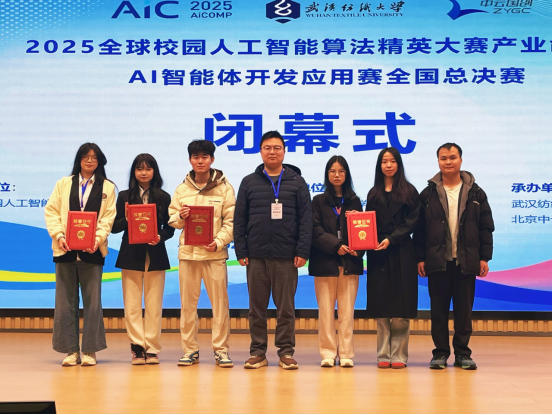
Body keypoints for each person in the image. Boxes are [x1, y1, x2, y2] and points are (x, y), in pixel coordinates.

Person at [235, 131, 313, 371]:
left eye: (277, 147)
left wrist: (302, 251)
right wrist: (241, 250)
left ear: (284, 151)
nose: (272, 152)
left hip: (287, 255)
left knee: (286, 309)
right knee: (256, 309)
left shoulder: (297, 182)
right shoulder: (249, 182)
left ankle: (286, 352)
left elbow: (306, 220)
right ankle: (257, 352)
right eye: (267, 147)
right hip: (256, 255)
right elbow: (240, 219)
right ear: (260, 151)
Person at [414, 143, 495, 371]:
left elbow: (485, 228)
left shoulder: (476, 193)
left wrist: (484, 258)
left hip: (466, 262)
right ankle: (440, 353)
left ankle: (463, 354)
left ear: (460, 160)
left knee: (464, 312)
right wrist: (420, 258)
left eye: (452, 157)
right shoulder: (428, 194)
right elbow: (419, 230)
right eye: (443, 158)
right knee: (438, 312)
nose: (448, 162)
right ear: (438, 161)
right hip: (437, 261)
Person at [44, 143, 117, 367]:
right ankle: (71, 351)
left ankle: (90, 351)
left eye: (94, 157)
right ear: (79, 159)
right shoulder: (64, 183)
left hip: (93, 251)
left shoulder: (107, 187)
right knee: (65, 303)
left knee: (93, 304)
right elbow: (51, 211)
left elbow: (108, 218)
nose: (89, 160)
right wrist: (59, 236)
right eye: (86, 156)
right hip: (65, 250)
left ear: (99, 161)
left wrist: (97, 240)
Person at [169, 140, 236, 369]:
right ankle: (190, 350)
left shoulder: (225, 188)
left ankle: (221, 350)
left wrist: (218, 242)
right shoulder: (182, 189)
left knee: (220, 305)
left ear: (212, 160)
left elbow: (231, 221)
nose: (200, 161)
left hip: (214, 255)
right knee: (188, 306)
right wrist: (181, 216)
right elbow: (173, 220)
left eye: (204, 157)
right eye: (196, 157)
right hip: (188, 255)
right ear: (190, 160)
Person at [112, 154, 175, 365]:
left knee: (154, 305)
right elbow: (113, 227)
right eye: (139, 169)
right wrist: (126, 218)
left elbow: (170, 228)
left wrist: (160, 236)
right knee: (131, 305)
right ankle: (137, 347)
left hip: (155, 255)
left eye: (148, 169)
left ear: (154, 172)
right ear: (134, 172)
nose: (144, 173)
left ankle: (153, 348)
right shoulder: (124, 196)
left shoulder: (164, 197)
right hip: (131, 255)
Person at [365, 148, 421, 370]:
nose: (388, 165)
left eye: (392, 161)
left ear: (398, 164)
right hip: (378, 253)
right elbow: (368, 222)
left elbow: (413, 222)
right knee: (382, 308)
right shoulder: (373, 193)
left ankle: (399, 354)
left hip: (402, 251)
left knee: (400, 307)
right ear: (379, 166)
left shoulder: (409, 191)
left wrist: (392, 238)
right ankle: (382, 354)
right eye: (384, 161)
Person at [309, 156, 364, 368]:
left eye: (341, 171)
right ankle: (328, 353)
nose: (337, 175)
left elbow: (362, 230)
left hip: (349, 262)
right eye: (332, 171)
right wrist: (335, 245)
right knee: (325, 312)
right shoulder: (318, 201)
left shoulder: (355, 201)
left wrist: (357, 226)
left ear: (347, 174)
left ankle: (346, 353)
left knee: (347, 312)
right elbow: (314, 230)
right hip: (325, 262)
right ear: (327, 175)